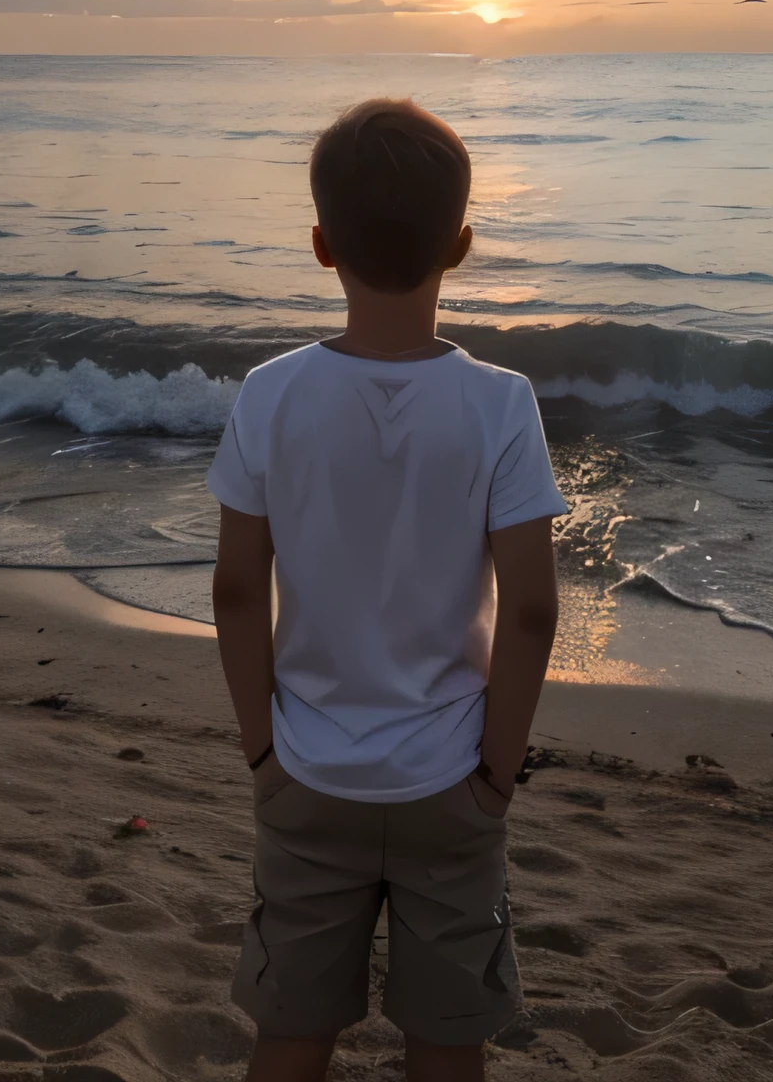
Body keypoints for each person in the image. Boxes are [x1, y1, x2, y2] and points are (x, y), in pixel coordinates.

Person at [207, 97, 565, 1081]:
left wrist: (262, 754)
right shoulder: (499, 404)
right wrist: (496, 772)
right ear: (461, 243)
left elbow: (237, 592)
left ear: (321, 245)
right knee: (447, 1037)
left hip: (307, 774)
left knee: (291, 1029)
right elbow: (531, 610)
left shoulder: (271, 394)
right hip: (450, 780)